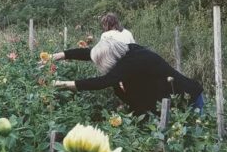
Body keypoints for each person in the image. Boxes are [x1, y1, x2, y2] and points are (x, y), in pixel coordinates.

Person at [52, 38, 203, 115]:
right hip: (167, 106)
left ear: (110, 59)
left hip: (188, 102)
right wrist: (59, 55)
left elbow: (104, 81)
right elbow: (91, 53)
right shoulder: (125, 50)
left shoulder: (134, 61)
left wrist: (63, 84)